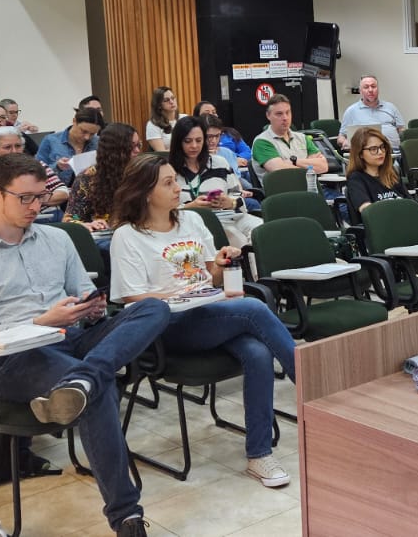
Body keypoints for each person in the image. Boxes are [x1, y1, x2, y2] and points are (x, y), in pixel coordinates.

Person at [0, 153, 169, 537]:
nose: (36, 206)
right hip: (12, 361)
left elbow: (80, 294)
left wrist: (90, 308)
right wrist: (41, 322)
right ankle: (127, 517)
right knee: (98, 392)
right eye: (25, 198)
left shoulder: (57, 238)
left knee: (154, 308)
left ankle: (82, 379)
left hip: (74, 339)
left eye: (42, 197)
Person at [108, 154, 296, 487]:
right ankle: (313, 384)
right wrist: (180, 296)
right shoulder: (128, 237)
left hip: (207, 314)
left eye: (175, 180)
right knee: (252, 308)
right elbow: (132, 301)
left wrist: (221, 266)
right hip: (165, 327)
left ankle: (259, 455)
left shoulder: (192, 221)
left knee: (257, 352)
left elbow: (210, 279)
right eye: (167, 183)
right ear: (145, 192)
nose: (177, 188)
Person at [345, 127, 418, 238]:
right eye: (373, 149)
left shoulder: (391, 173)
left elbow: (410, 202)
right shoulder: (356, 179)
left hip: (408, 224)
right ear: (360, 153)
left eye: (382, 147)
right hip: (386, 231)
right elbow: (368, 211)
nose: (380, 152)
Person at [169, 116, 259, 247]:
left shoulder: (219, 162)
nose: (194, 146)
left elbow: (238, 197)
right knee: (238, 240)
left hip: (230, 216)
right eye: (188, 141)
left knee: (263, 231)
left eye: (199, 140)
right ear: (178, 142)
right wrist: (191, 206)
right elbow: (164, 211)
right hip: (196, 223)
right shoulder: (169, 171)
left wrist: (230, 202)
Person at [66, 123, 140, 243]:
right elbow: (70, 219)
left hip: (139, 233)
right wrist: (88, 224)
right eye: (131, 147)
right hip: (107, 238)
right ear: (115, 151)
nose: (137, 151)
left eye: (138, 145)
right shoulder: (88, 178)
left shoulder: (142, 172)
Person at [0, 127, 69, 211]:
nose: (14, 151)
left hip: (52, 217)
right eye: (7, 147)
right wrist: (41, 197)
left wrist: (26, 199)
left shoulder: (39, 166)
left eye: (18, 146)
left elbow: (63, 193)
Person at [251, 95, 328, 181]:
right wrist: (310, 166)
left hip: (312, 188)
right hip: (284, 192)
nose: (285, 118)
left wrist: (294, 162)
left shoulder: (302, 138)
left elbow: (324, 166)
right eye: (279, 114)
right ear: (268, 116)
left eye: (288, 112)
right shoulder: (262, 142)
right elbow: (283, 172)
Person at [338, 75, 406, 151]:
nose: (370, 90)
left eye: (373, 86)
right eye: (366, 87)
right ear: (360, 91)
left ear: (378, 89)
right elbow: (341, 137)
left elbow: (402, 131)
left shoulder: (391, 107)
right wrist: (344, 142)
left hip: (394, 152)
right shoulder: (351, 111)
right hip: (364, 154)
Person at [37, 107, 103, 185]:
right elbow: (36, 173)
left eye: (92, 134)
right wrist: (57, 167)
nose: (87, 137)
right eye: (83, 131)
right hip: (59, 193)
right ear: (74, 121)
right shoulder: (51, 140)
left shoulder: (98, 142)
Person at [192, 101, 251, 168]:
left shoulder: (230, 133)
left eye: (214, 112)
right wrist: (230, 161)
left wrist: (234, 158)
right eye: (207, 113)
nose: (211, 115)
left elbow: (247, 152)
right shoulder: (195, 144)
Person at [145, 86, 179, 152]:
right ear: (159, 105)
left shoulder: (184, 117)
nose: (171, 102)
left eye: (173, 98)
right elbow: (162, 153)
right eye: (166, 100)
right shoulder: (153, 125)